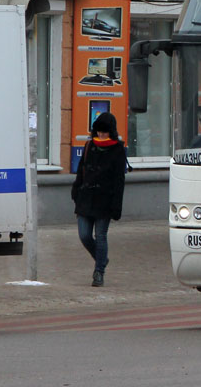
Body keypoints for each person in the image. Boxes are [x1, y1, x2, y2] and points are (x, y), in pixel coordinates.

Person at [71, 112, 127, 287]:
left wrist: (116, 206)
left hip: (105, 201)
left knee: (100, 236)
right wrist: (76, 192)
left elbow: (119, 181)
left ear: (111, 132)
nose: (102, 135)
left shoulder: (118, 150)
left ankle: (99, 272)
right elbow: (81, 172)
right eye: (99, 132)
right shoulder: (89, 146)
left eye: (105, 132)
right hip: (85, 199)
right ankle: (102, 259)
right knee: (84, 235)